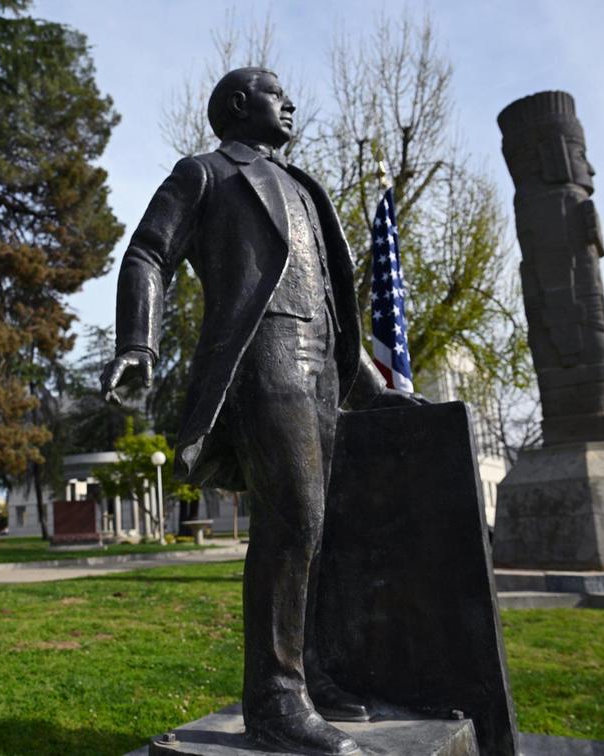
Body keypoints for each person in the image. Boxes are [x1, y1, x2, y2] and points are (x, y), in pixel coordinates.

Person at [102, 67, 423, 755]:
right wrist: (138, 341)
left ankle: (314, 672)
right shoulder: (206, 174)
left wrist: (372, 384)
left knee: (323, 527)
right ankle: (276, 701)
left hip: (323, 372)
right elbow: (148, 254)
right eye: (279, 93)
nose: (293, 102)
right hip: (262, 358)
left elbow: (336, 305)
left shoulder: (307, 188)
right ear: (241, 105)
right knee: (295, 518)